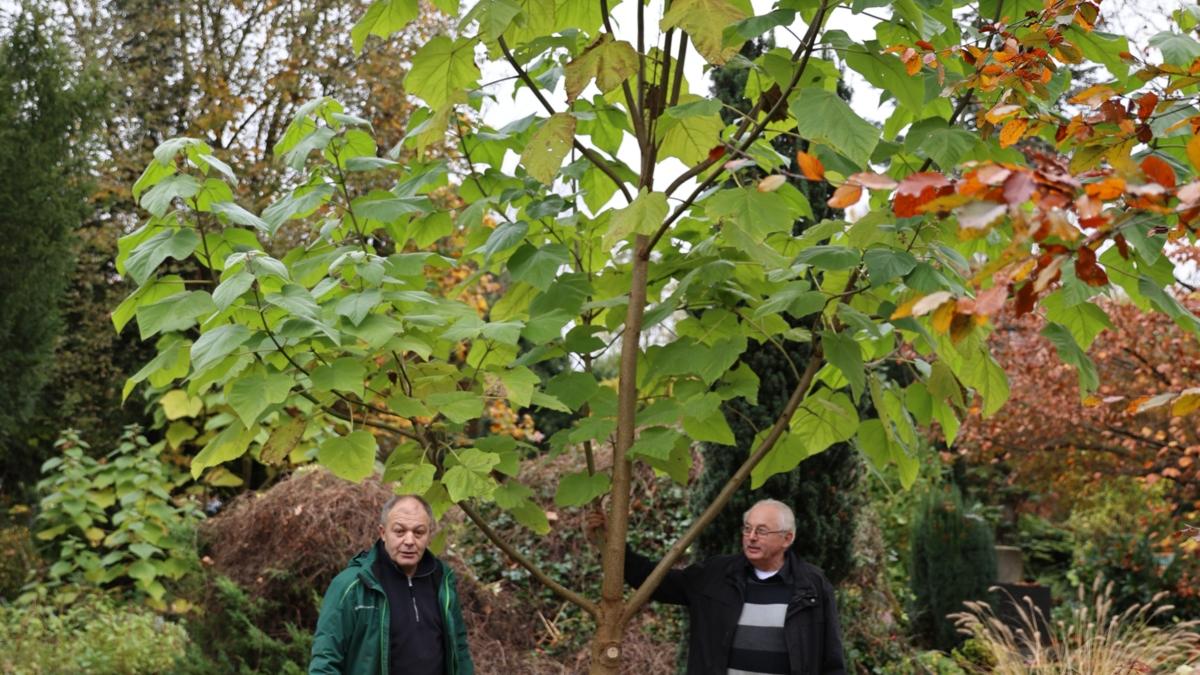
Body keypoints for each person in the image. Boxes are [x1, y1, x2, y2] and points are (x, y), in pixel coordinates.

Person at [589, 498, 845, 674]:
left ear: (787, 538)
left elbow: (831, 660)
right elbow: (656, 583)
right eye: (747, 529)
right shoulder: (716, 575)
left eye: (762, 531)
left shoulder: (812, 585)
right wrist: (612, 544)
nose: (752, 537)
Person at [310, 494, 474, 675]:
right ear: (383, 533)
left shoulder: (443, 581)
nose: (409, 541)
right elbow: (325, 661)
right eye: (399, 531)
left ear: (429, 535)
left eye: (418, 532)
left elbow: (459, 649)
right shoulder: (352, 585)